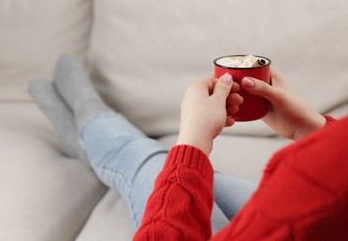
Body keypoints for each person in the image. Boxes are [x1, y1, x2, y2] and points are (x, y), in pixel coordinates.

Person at [29, 55, 348, 240]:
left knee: (151, 163)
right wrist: (315, 131)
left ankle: (89, 119)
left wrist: (193, 142)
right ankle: (90, 134)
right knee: (192, 178)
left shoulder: (304, 179)